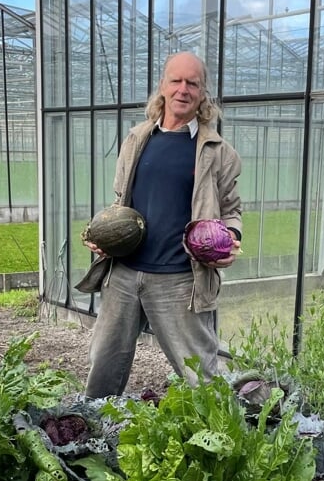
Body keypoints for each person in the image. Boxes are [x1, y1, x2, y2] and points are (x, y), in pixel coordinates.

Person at [75, 52, 243, 398]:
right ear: (162, 87)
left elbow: (231, 208)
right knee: (103, 365)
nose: (183, 89)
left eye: (192, 83)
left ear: (202, 93)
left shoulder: (216, 150)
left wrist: (232, 238)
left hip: (180, 280)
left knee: (201, 376)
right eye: (176, 81)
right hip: (122, 275)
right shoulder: (137, 138)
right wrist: (104, 237)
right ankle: (89, 435)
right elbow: (121, 200)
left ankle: (218, 444)